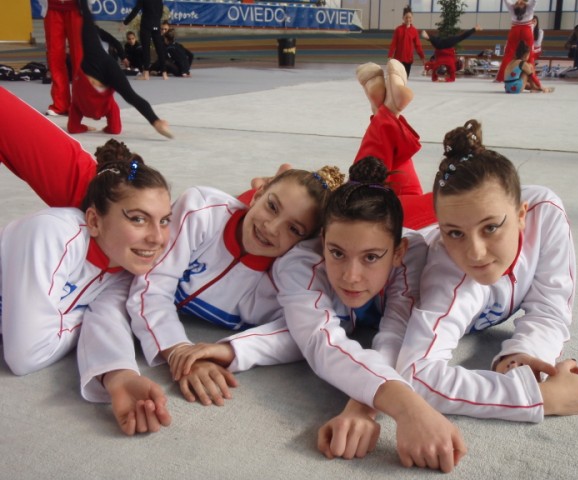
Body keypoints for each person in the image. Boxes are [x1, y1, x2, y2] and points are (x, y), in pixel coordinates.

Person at [167, 157, 467, 472]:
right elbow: (315, 338)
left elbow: (396, 333)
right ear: (322, 241)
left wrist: (375, 407)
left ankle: (386, 137)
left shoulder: (412, 252)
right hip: (337, 223)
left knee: (426, 206)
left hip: (408, 225)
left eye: (370, 258)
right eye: (336, 253)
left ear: (397, 252)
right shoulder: (299, 262)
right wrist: (233, 349)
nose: (351, 277)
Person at [393, 119, 578, 423]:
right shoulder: (447, 272)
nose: (475, 253)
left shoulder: (543, 214)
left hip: (443, 212)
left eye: (490, 228)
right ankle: (385, 117)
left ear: (521, 214)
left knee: (404, 185)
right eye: (456, 234)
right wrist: (536, 398)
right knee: (366, 193)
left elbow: (550, 311)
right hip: (412, 226)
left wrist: (522, 355)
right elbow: (415, 374)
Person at [1, 91, 174, 435]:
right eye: (138, 218)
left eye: (164, 220)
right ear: (94, 220)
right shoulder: (54, 233)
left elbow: (106, 316)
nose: (157, 238)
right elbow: (26, 355)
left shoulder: (123, 266)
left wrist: (118, 374)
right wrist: (78, 315)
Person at [126, 162, 345, 404]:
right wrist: (178, 350)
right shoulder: (201, 210)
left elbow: (305, 332)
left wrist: (229, 350)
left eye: (293, 228)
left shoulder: (293, 277)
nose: (271, 228)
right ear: (259, 194)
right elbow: (151, 288)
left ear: (304, 242)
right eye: (272, 206)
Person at [68, 0, 173, 138]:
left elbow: (74, 128)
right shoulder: (107, 107)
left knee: (88, 23)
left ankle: (156, 121)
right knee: (131, 95)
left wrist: (85, 127)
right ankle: (156, 122)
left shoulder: (79, 106)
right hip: (100, 65)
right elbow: (115, 128)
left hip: (93, 67)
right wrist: (155, 120)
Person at [353, 59, 436, 230]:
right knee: (360, 204)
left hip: (425, 212)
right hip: (416, 218)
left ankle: (386, 111)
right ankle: (387, 111)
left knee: (369, 196)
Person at [42, 0, 83, 116]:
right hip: (52, 7)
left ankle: (80, 104)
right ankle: (60, 104)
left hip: (76, 7)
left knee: (79, 58)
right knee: (54, 57)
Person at [123, 0, 167, 80]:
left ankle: (146, 74)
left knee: (146, 49)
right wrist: (156, 21)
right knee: (160, 49)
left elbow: (136, 10)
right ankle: (164, 73)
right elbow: (160, 12)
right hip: (156, 24)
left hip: (146, 25)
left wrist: (125, 23)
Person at [495, 0, 537, 83]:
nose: (519, 1)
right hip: (526, 30)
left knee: (508, 54)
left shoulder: (512, 7)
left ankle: (501, 77)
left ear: (514, 6)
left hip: (515, 30)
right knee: (529, 54)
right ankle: (531, 78)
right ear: (525, 5)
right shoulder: (529, 7)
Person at [388, 5, 426, 78]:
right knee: (398, 78)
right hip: (398, 59)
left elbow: (418, 46)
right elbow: (393, 44)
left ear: (412, 18)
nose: (408, 19)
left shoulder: (414, 31)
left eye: (410, 17)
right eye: (406, 17)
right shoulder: (398, 29)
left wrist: (422, 58)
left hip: (408, 60)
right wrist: (390, 56)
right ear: (403, 18)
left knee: (405, 78)